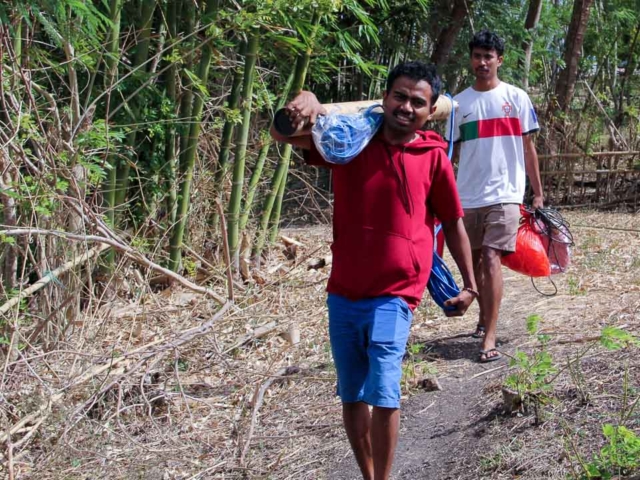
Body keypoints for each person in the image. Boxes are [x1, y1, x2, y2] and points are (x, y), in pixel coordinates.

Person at [271, 62, 478, 480]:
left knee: (384, 394)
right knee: (351, 395)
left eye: (417, 102)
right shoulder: (348, 141)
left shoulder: (432, 155)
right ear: (383, 99)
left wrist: (470, 283)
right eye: (398, 96)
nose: (406, 107)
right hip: (344, 290)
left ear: (430, 109)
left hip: (396, 292)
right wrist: (309, 101)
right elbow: (281, 132)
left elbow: (453, 220)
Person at [450, 30, 544, 363]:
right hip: (467, 195)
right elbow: (448, 154)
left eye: (489, 56)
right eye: (477, 55)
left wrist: (537, 194)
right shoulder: (457, 104)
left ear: (499, 60)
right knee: (474, 261)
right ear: (471, 59)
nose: (482, 62)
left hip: (506, 193)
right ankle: (481, 317)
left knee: (490, 257)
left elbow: (528, 148)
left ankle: (489, 337)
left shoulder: (516, 98)